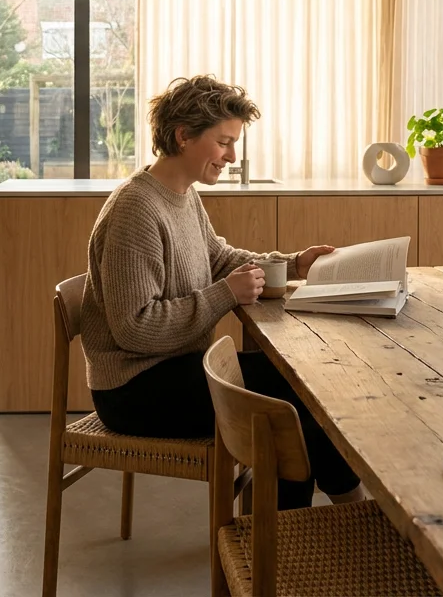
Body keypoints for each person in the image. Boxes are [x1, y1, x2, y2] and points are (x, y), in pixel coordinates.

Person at [79, 75, 361, 510]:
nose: (231, 156)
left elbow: (220, 258)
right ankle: (315, 525)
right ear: (183, 136)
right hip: (134, 390)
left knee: (299, 383)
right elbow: (135, 329)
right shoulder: (136, 210)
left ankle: (332, 517)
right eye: (224, 142)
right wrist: (225, 295)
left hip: (177, 369)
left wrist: (294, 264)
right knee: (286, 411)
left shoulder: (181, 194)